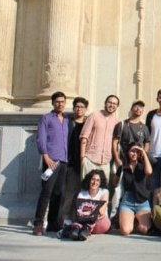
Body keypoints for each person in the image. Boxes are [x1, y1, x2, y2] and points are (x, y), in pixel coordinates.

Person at [34, 91, 70, 235]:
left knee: (59, 193)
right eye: (57, 102)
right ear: (53, 103)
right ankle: (38, 223)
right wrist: (46, 157)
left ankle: (54, 223)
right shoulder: (46, 118)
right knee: (46, 192)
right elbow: (41, 139)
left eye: (62, 102)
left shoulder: (67, 120)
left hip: (64, 160)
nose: (60, 104)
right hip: (51, 160)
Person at [80, 95, 121, 180]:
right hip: (90, 158)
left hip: (105, 162)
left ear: (117, 106)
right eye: (110, 102)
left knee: (103, 189)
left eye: (114, 104)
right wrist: (82, 156)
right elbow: (84, 136)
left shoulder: (117, 121)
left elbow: (115, 142)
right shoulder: (94, 116)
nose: (112, 105)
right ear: (105, 103)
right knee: (86, 187)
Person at [61, 96, 88, 225]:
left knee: (82, 191)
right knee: (70, 191)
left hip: (84, 162)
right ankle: (65, 217)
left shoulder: (88, 123)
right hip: (70, 161)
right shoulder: (67, 123)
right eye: (76, 106)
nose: (79, 109)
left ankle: (79, 217)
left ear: (86, 109)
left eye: (82, 107)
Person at [63, 170, 110, 240]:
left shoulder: (104, 192)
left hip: (99, 222)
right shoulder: (82, 193)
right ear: (89, 180)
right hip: (82, 221)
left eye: (97, 180)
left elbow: (101, 211)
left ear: (100, 183)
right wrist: (91, 212)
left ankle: (85, 228)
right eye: (93, 179)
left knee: (97, 217)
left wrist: (88, 213)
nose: (95, 182)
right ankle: (80, 230)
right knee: (79, 219)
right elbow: (78, 212)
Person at [117, 144, 153, 236]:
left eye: (137, 152)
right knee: (125, 231)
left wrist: (143, 152)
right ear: (128, 153)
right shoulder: (123, 167)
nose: (134, 154)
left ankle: (137, 221)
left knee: (145, 229)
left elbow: (149, 172)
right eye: (132, 151)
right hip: (128, 201)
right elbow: (115, 181)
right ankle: (130, 219)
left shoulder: (142, 166)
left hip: (142, 201)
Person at [112, 100, 151, 169]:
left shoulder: (144, 127)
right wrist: (117, 159)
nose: (138, 109)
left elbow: (147, 144)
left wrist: (143, 156)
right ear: (131, 108)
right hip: (123, 161)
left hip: (137, 163)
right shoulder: (122, 124)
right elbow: (114, 142)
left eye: (141, 107)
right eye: (136, 106)